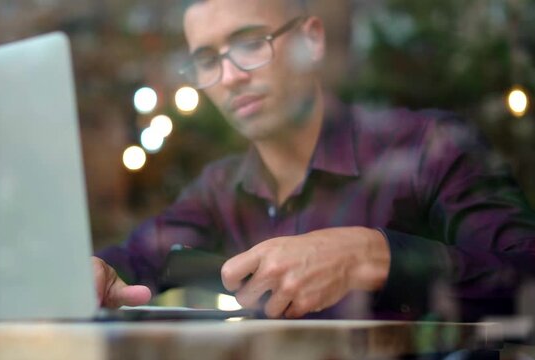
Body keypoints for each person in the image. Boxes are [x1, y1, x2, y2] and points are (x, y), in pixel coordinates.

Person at [93, 0, 535, 320]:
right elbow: (131, 262)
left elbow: (524, 277)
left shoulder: (429, 147)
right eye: (207, 60)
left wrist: (375, 255)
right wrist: (95, 273)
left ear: (312, 39)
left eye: (249, 43)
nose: (229, 77)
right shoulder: (218, 189)